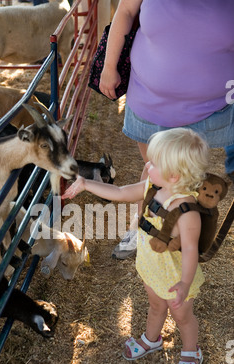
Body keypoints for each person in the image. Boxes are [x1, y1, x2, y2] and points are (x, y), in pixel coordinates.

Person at [62, 127, 209, 364]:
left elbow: (190, 252)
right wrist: (86, 183)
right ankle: (152, 339)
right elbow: (120, 193)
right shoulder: (154, 187)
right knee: (155, 305)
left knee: (183, 317)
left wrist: (185, 284)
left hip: (176, 276)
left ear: (174, 175)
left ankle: (190, 351)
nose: (148, 165)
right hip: (152, 267)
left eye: (154, 163)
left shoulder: (187, 213)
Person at [99, 0, 234, 259]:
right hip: (151, 99)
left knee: (187, 174)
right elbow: (125, 11)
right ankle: (141, 227)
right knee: (156, 169)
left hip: (215, 106)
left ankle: (186, 231)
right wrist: (109, 66)